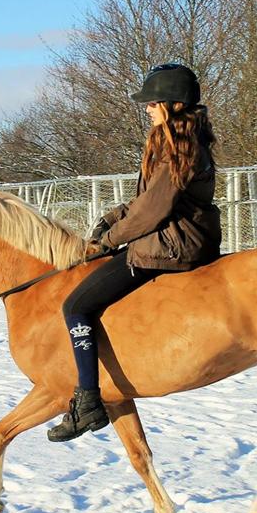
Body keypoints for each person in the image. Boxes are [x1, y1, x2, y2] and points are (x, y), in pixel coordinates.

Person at [47, 63, 222, 442]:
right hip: (175, 236)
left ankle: (88, 400)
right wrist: (112, 218)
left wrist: (108, 242)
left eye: (151, 102)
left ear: (172, 104)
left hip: (173, 245)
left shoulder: (181, 148)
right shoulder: (176, 142)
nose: (146, 108)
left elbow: (153, 211)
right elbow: (148, 201)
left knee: (76, 306)